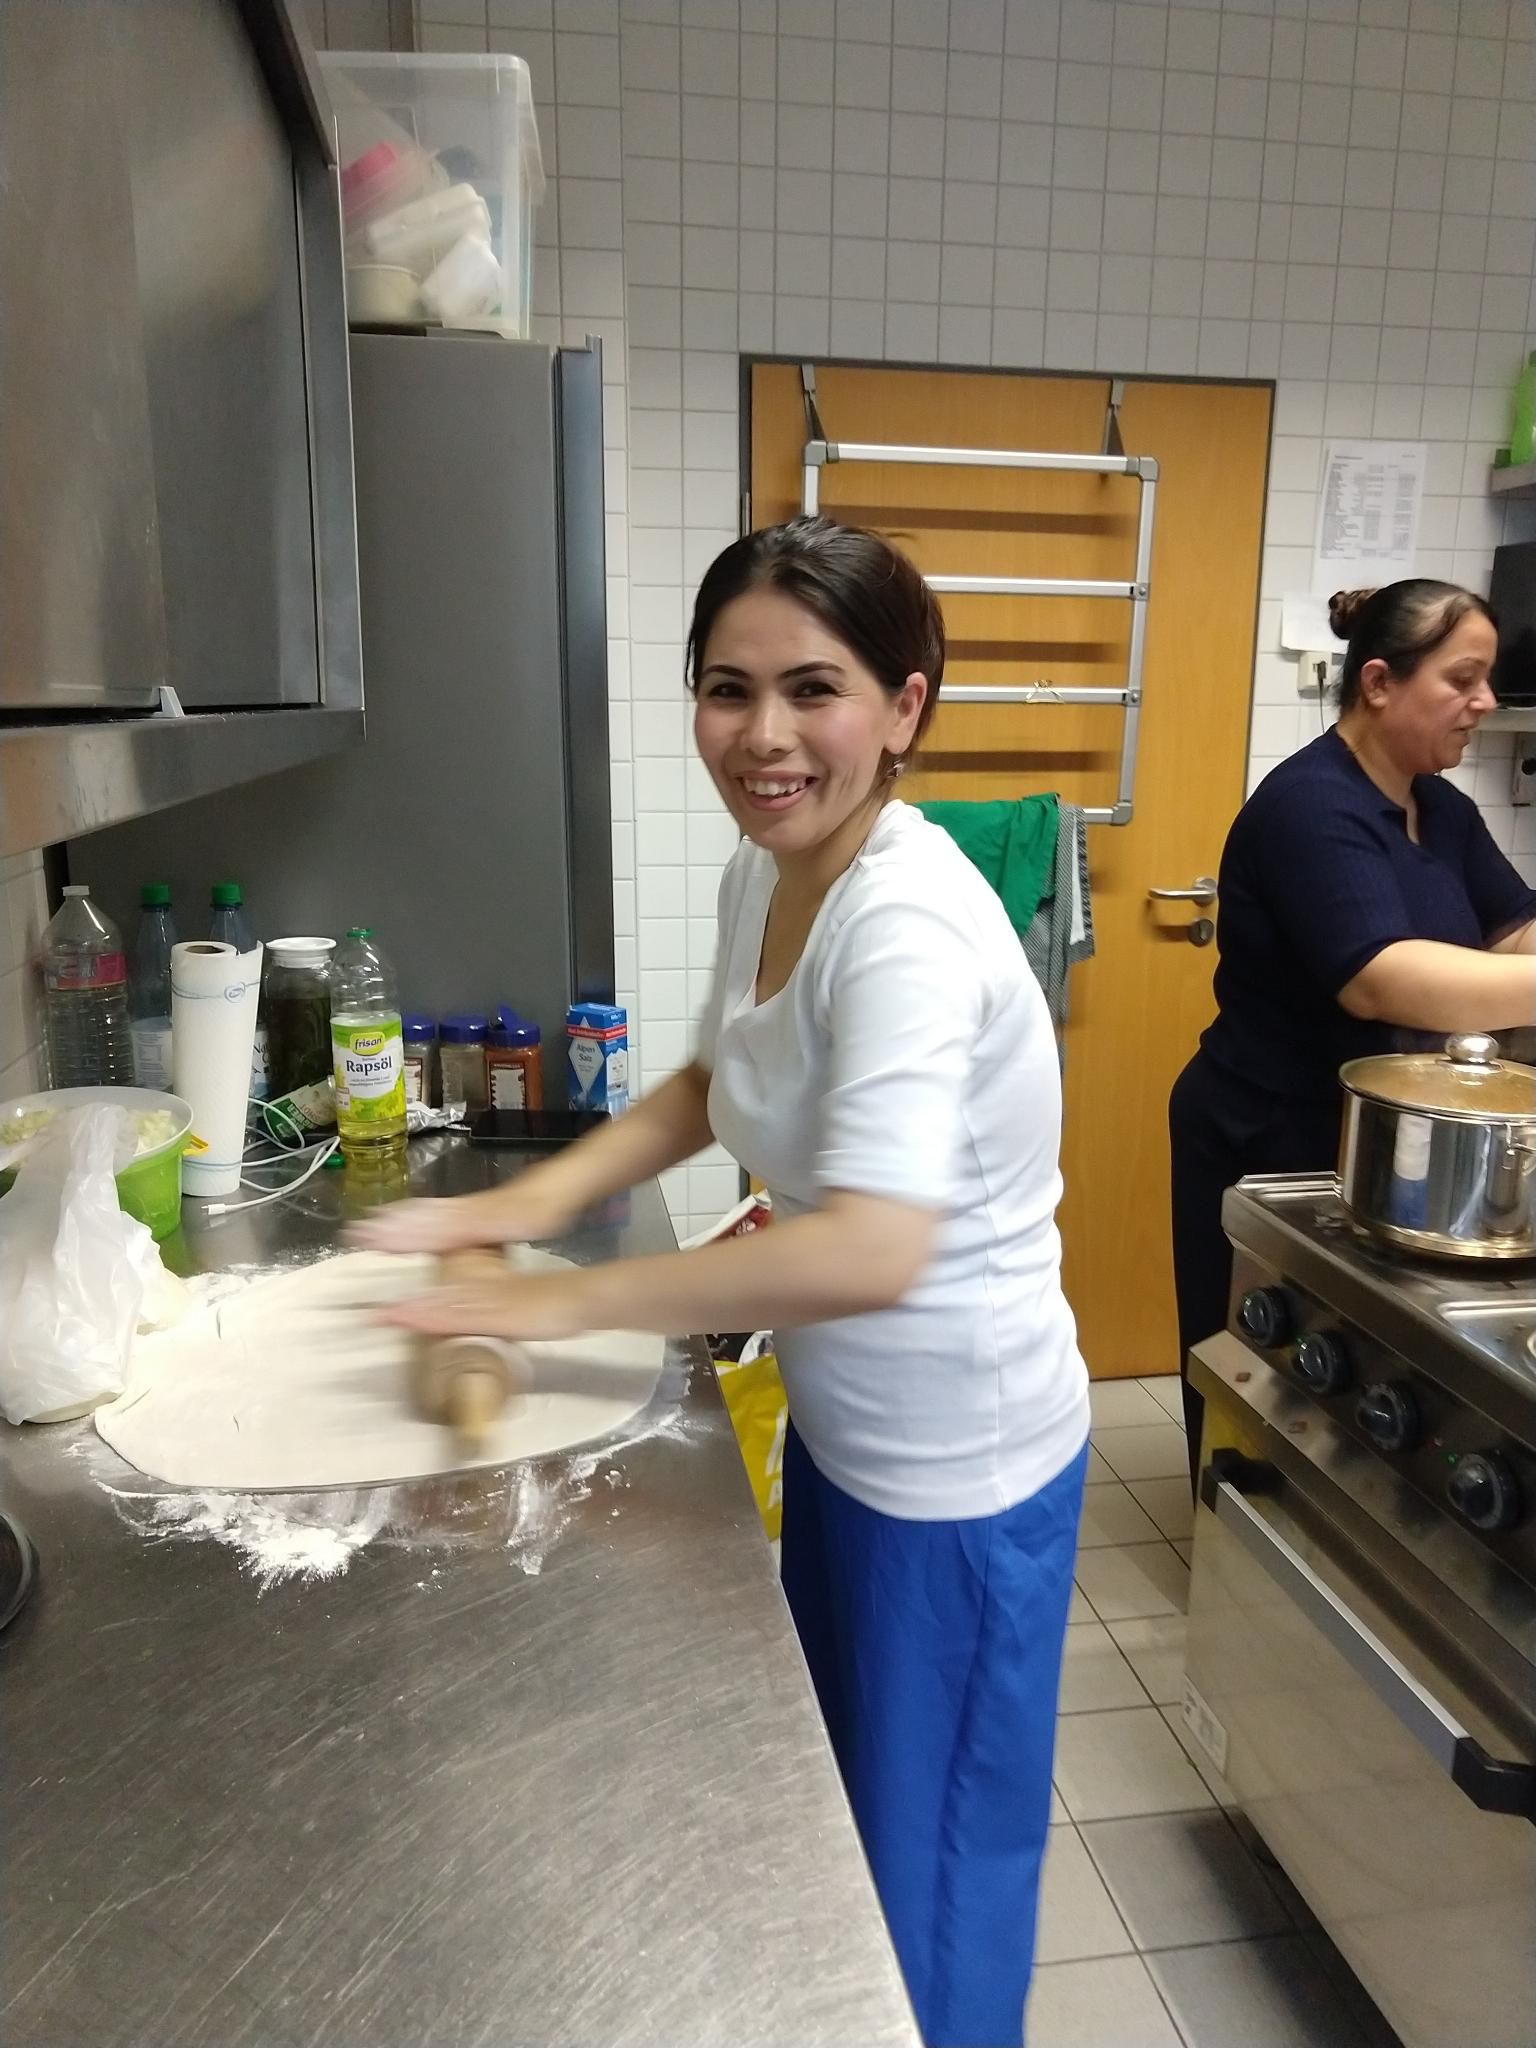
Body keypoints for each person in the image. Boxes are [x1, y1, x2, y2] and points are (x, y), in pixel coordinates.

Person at [356, 517, 1090, 2048]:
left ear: (906, 706)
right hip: (846, 1436)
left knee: (929, 1888)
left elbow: (875, 1246)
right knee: (837, 1842)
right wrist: (524, 1204)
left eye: (812, 690)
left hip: (959, 1475)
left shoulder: (905, 919)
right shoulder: (779, 873)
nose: (762, 737)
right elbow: (715, 1080)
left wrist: (547, 1306)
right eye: (725, 688)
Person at [1170, 580, 1536, 1473]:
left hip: (1387, 1146)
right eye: (1464, 680)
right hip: (1270, 1136)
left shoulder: (1438, 806)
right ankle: (1233, 1542)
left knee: (1359, 1397)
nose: (1484, 703)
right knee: (1256, 1373)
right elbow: (1380, 980)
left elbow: (1513, 925)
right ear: (1379, 683)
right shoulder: (1309, 806)